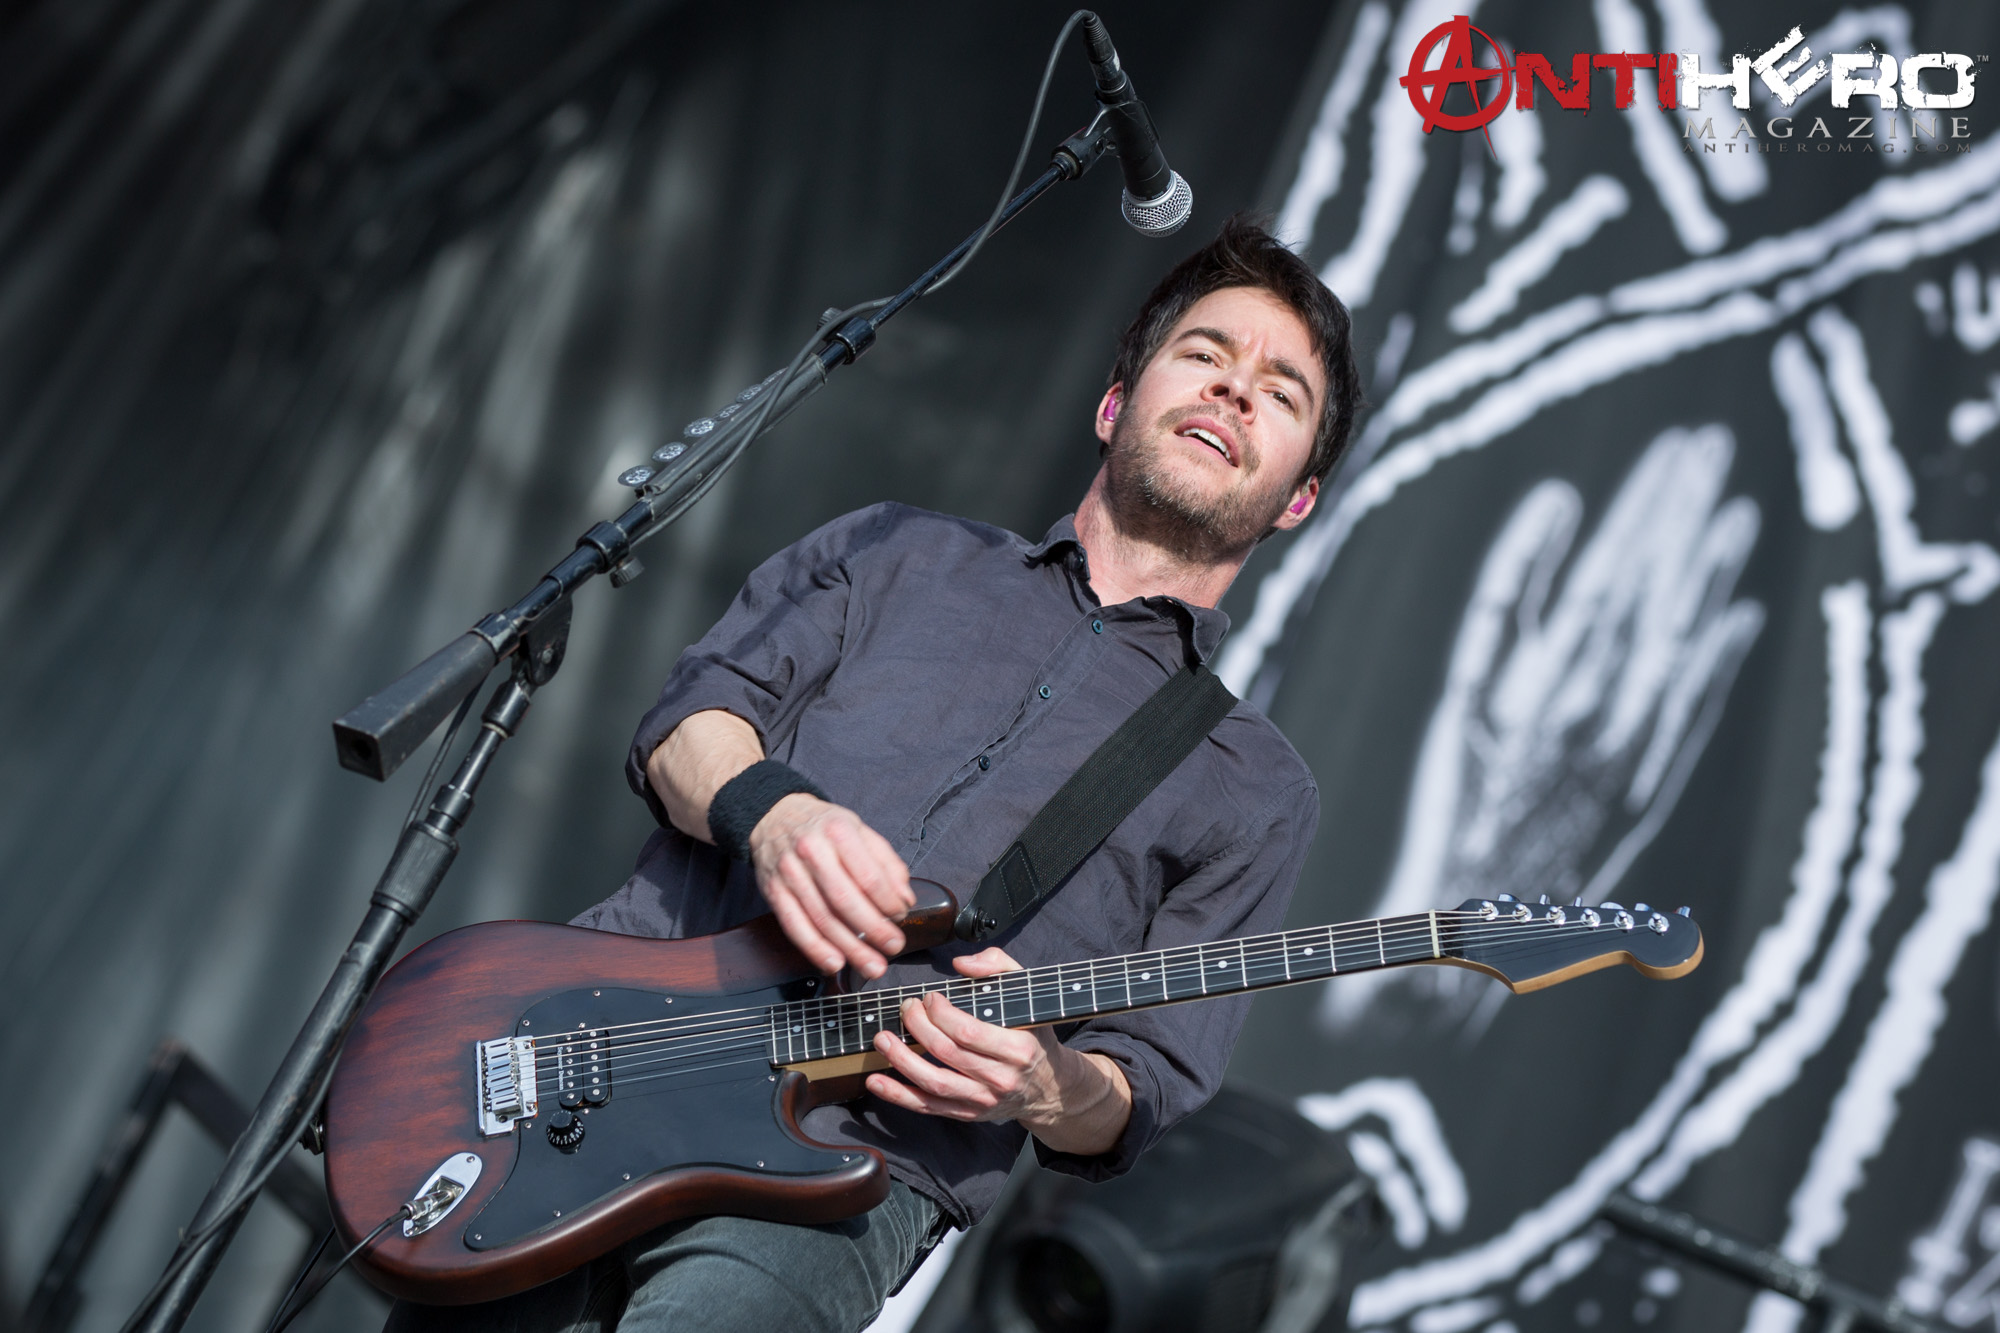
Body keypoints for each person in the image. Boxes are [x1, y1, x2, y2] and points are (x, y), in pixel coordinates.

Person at [385, 215, 1360, 1332]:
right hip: (592, 1048)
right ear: (1113, 403)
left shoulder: (1257, 788)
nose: (1234, 391)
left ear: (1298, 498)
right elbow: (686, 724)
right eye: (1204, 353)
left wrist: (1049, 1086)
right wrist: (775, 816)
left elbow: (1146, 1084)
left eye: (1280, 393)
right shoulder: (896, 551)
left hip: (851, 1172)